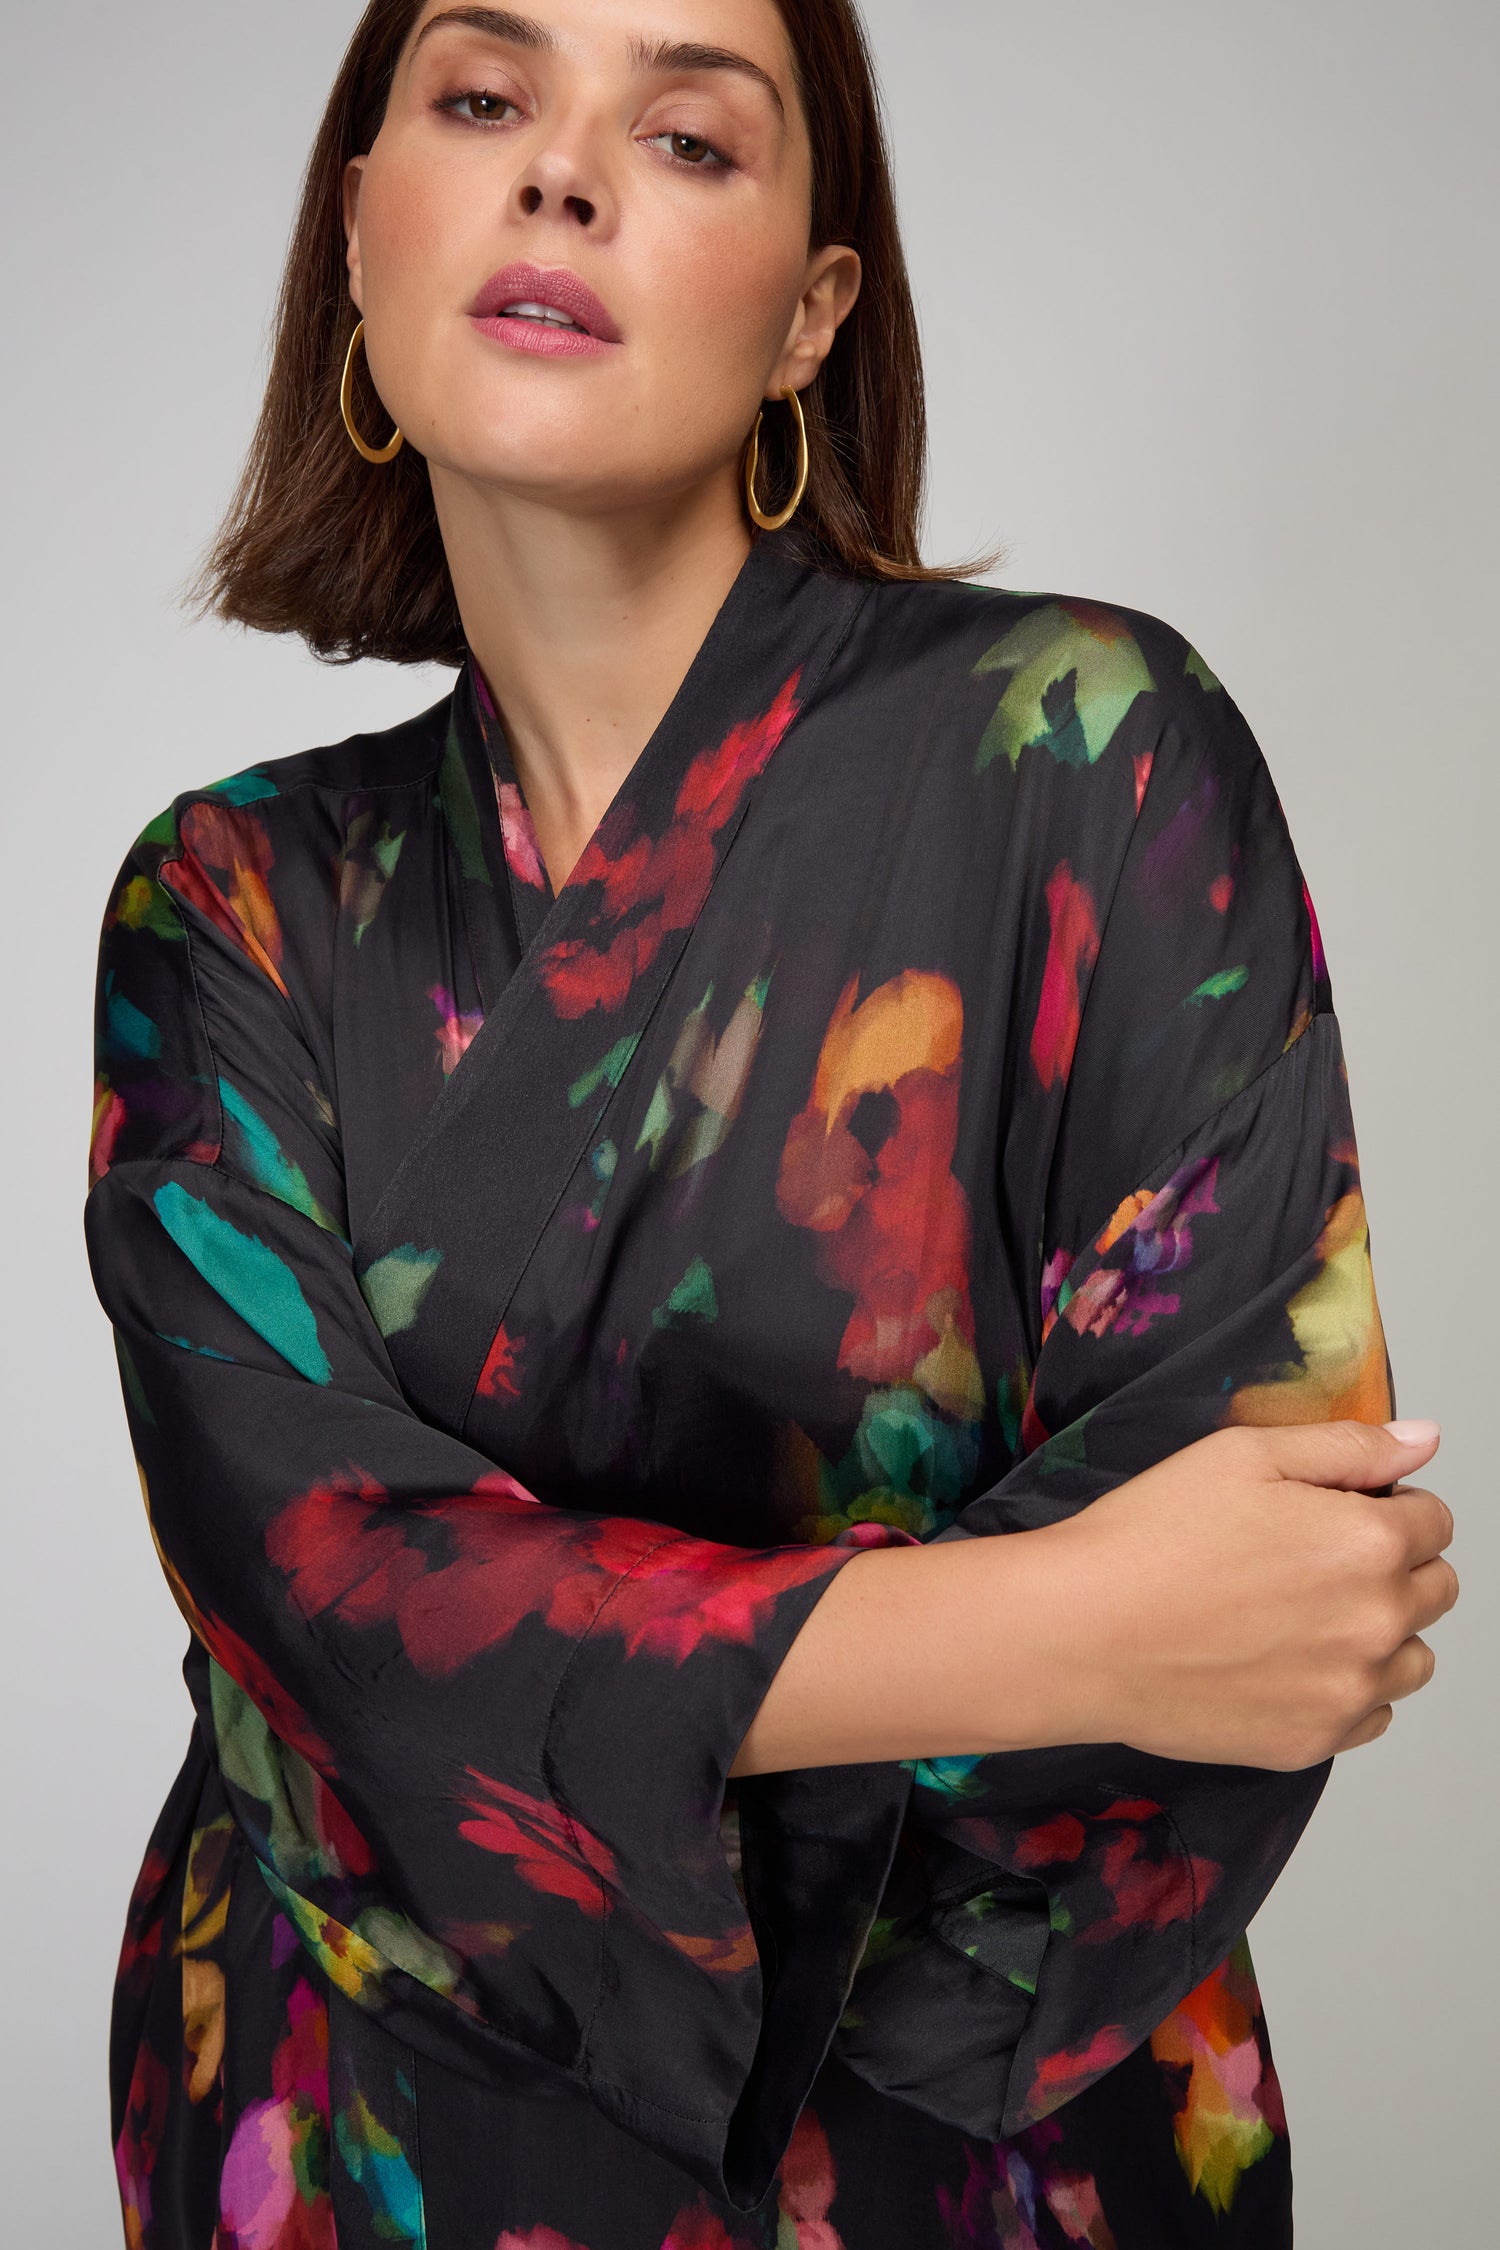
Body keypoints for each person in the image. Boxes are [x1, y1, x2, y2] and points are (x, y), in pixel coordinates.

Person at [85, 2, 1459, 2245]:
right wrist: (1064, 1627)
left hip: (946, 2160)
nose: (563, 173)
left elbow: (1271, 1594)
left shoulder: (1086, 754)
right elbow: (317, 1594)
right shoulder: (226, 895)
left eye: (691, 135)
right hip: (349, 2140)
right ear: (360, 226)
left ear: (815, 311)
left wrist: (546, 1745)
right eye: (483, 97)